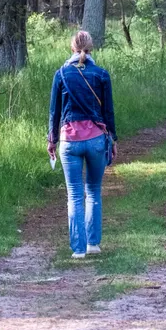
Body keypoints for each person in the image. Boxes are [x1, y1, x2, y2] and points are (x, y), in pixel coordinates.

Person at [47, 30, 118, 258]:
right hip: (96, 139)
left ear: (72, 48)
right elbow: (108, 111)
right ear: (91, 48)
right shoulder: (101, 74)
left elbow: (54, 112)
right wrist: (113, 139)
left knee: (75, 195)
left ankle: (78, 250)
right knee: (93, 191)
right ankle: (93, 244)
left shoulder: (61, 74)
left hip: (69, 141)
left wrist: (52, 140)